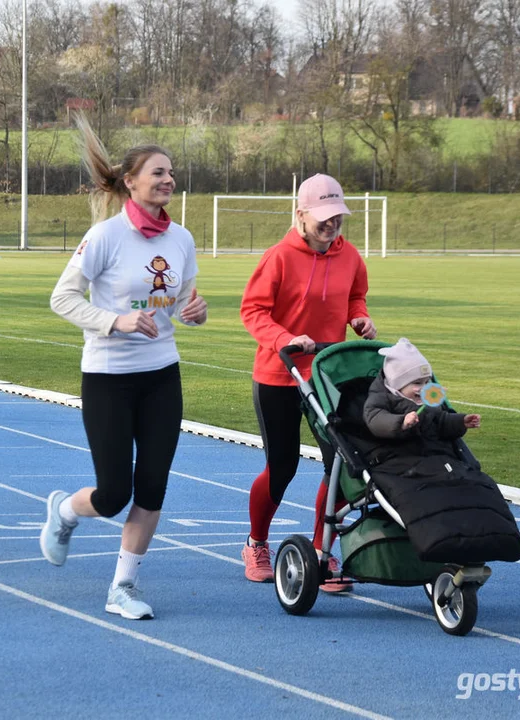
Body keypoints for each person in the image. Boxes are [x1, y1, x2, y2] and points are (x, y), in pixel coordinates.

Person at [40, 116, 207, 620]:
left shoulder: (181, 239)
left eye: (171, 173)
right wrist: (116, 321)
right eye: (157, 172)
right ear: (130, 181)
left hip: (162, 375)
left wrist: (192, 313)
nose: (168, 180)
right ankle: (66, 511)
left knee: (153, 485)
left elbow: (176, 303)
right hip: (109, 377)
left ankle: (122, 587)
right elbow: (61, 298)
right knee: (114, 493)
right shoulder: (105, 236)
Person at [239, 173, 377, 590]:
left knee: (341, 465)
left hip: (328, 375)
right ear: (301, 214)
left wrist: (360, 317)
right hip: (279, 374)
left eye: (338, 216)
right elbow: (253, 311)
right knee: (282, 467)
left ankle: (321, 552)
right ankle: (256, 543)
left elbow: (356, 295)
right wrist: (285, 339)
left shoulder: (350, 256)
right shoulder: (278, 257)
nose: (332, 224)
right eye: (323, 217)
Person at [363, 338, 481, 460]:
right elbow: (376, 419)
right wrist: (402, 423)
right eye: (418, 383)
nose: (424, 388)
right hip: (401, 457)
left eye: (427, 382)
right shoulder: (382, 398)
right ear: (397, 384)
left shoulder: (428, 402)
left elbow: (439, 421)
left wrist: (460, 422)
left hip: (434, 455)